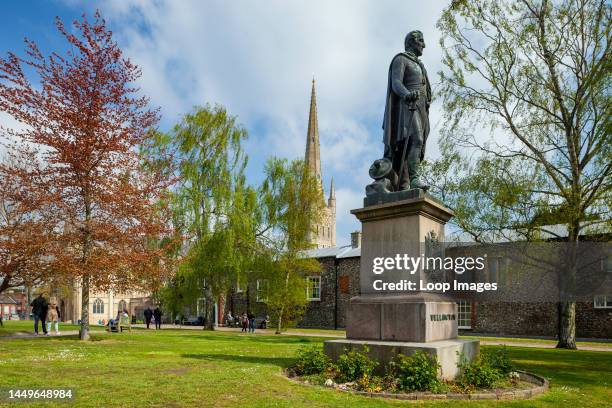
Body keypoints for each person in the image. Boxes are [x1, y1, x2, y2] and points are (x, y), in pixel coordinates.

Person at [382, 30, 431, 191]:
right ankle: (415, 179)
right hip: (408, 106)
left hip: (422, 106)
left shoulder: (420, 65)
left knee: (416, 143)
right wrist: (407, 95)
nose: (424, 45)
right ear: (411, 42)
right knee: (415, 140)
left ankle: (404, 183)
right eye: (421, 41)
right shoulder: (401, 59)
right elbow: (396, 82)